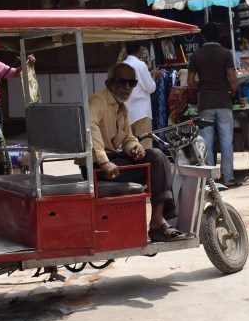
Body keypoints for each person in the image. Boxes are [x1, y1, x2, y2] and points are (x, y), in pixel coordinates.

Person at [85, 62, 187, 242]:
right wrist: (103, 160)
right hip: (96, 166)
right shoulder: (98, 100)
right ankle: (160, 220)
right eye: (122, 82)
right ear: (109, 84)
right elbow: (89, 127)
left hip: (114, 159)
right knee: (156, 165)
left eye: (131, 83)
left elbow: (127, 138)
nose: (127, 87)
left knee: (157, 155)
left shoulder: (121, 107)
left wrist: (134, 148)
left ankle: (159, 218)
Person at [187, 22, 238, 187]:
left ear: (203, 36)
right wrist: (233, 91)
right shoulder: (225, 53)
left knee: (206, 142)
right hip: (224, 101)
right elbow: (232, 79)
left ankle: (211, 179)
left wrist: (202, 86)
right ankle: (228, 177)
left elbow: (190, 82)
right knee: (226, 141)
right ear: (219, 35)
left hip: (206, 104)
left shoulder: (196, 55)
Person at [122, 40, 162, 148]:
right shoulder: (140, 65)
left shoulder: (122, 66)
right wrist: (154, 77)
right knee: (145, 148)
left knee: (130, 147)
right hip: (141, 113)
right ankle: (144, 165)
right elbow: (151, 87)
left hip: (126, 112)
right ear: (140, 50)